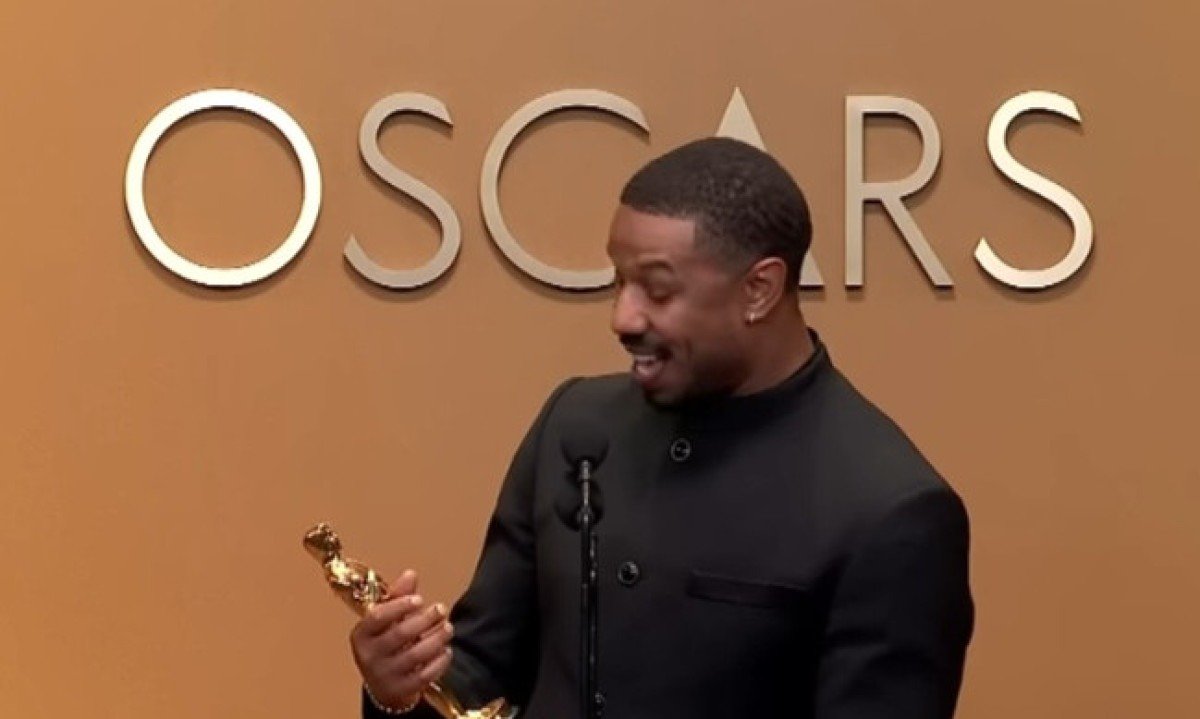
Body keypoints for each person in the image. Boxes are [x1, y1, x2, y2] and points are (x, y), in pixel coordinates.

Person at [349, 137, 974, 718]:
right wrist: (398, 688)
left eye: (657, 290)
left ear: (759, 289)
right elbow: (482, 675)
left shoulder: (889, 510)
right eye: (619, 281)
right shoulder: (574, 424)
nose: (622, 317)